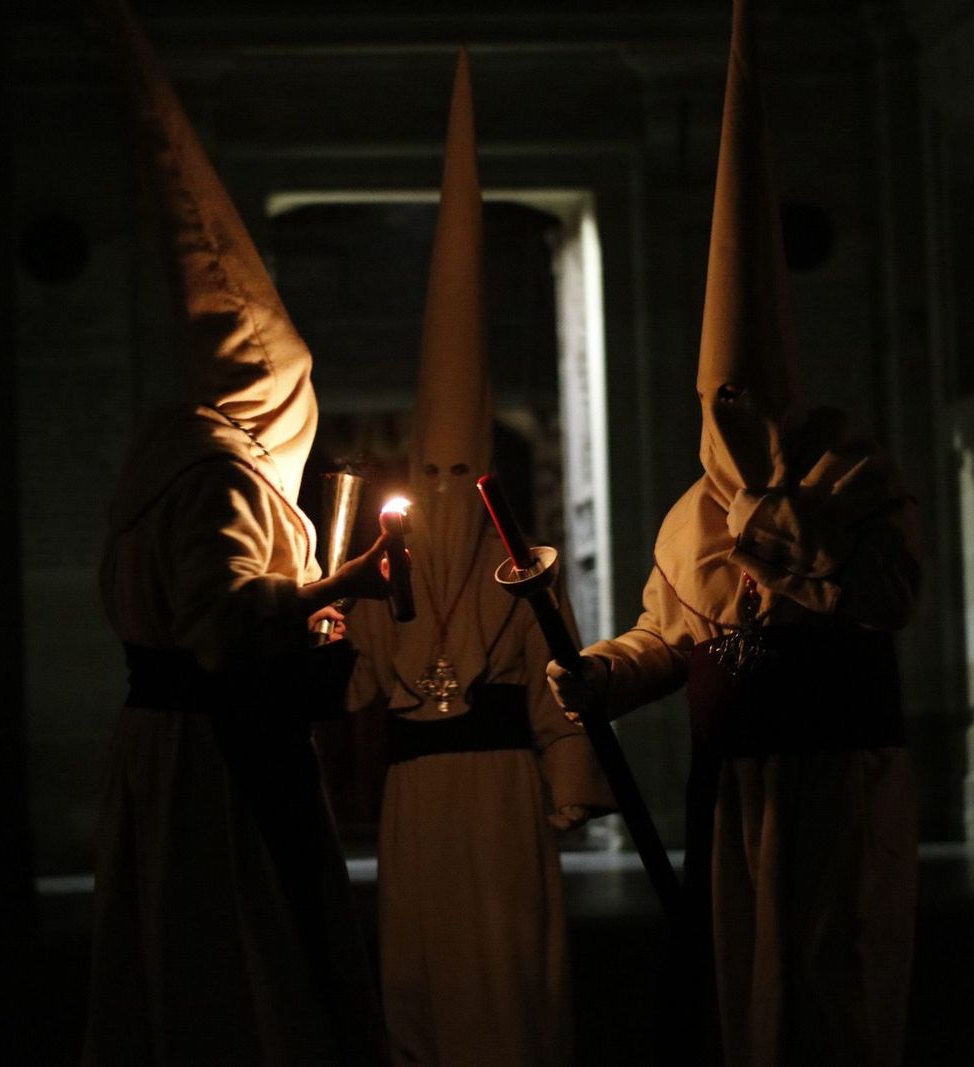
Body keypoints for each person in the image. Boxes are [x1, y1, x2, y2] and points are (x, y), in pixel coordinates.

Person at [547, 3, 921, 1064]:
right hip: (735, 776)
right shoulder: (685, 514)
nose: (730, 427)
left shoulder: (849, 476)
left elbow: (885, 594)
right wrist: (604, 676)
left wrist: (771, 512)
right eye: (716, 405)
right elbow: (669, 631)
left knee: (829, 962)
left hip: (834, 764)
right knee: (742, 972)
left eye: (745, 405)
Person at [81, 2, 386, 1063]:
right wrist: (331, 583)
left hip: (164, 750)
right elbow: (220, 628)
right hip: (217, 757)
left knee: (172, 950)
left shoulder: (159, 466)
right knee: (241, 962)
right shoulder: (220, 479)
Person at [342, 52, 613, 1067]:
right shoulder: (386, 562)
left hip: (501, 790)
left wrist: (567, 775)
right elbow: (359, 677)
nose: (449, 481)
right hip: (416, 794)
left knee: (503, 961)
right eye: (435, 467)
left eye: (467, 465)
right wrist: (331, 625)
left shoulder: (528, 567)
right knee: (421, 960)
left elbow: (562, 688)